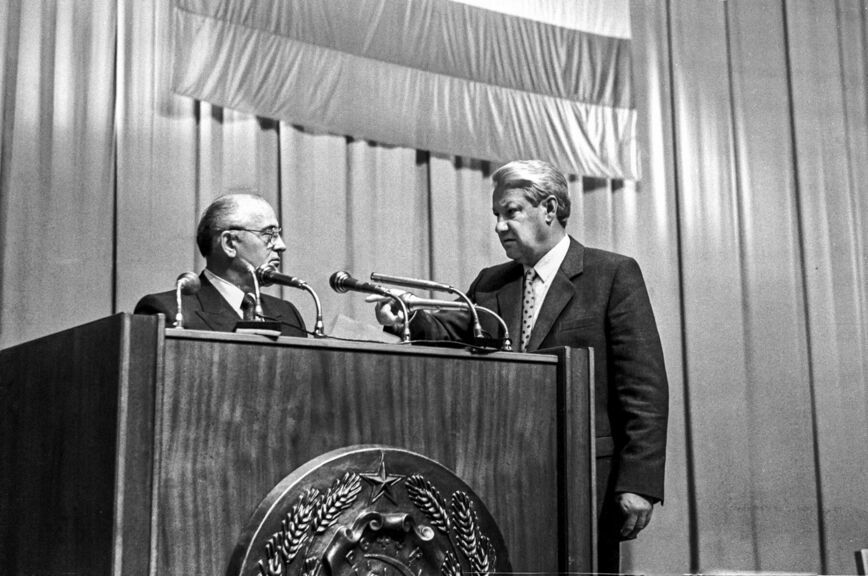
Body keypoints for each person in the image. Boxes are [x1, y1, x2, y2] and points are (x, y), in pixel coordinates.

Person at [372, 159, 668, 572]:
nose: (499, 226)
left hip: (584, 481)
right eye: (496, 215)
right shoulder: (491, 283)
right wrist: (406, 316)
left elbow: (643, 388)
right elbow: (453, 331)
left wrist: (638, 483)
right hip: (501, 480)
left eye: (510, 212)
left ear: (549, 208)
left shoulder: (611, 275)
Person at [135, 193, 306, 337]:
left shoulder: (289, 315)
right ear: (229, 243)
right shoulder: (167, 311)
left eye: (278, 234)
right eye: (269, 234)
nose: (281, 245)